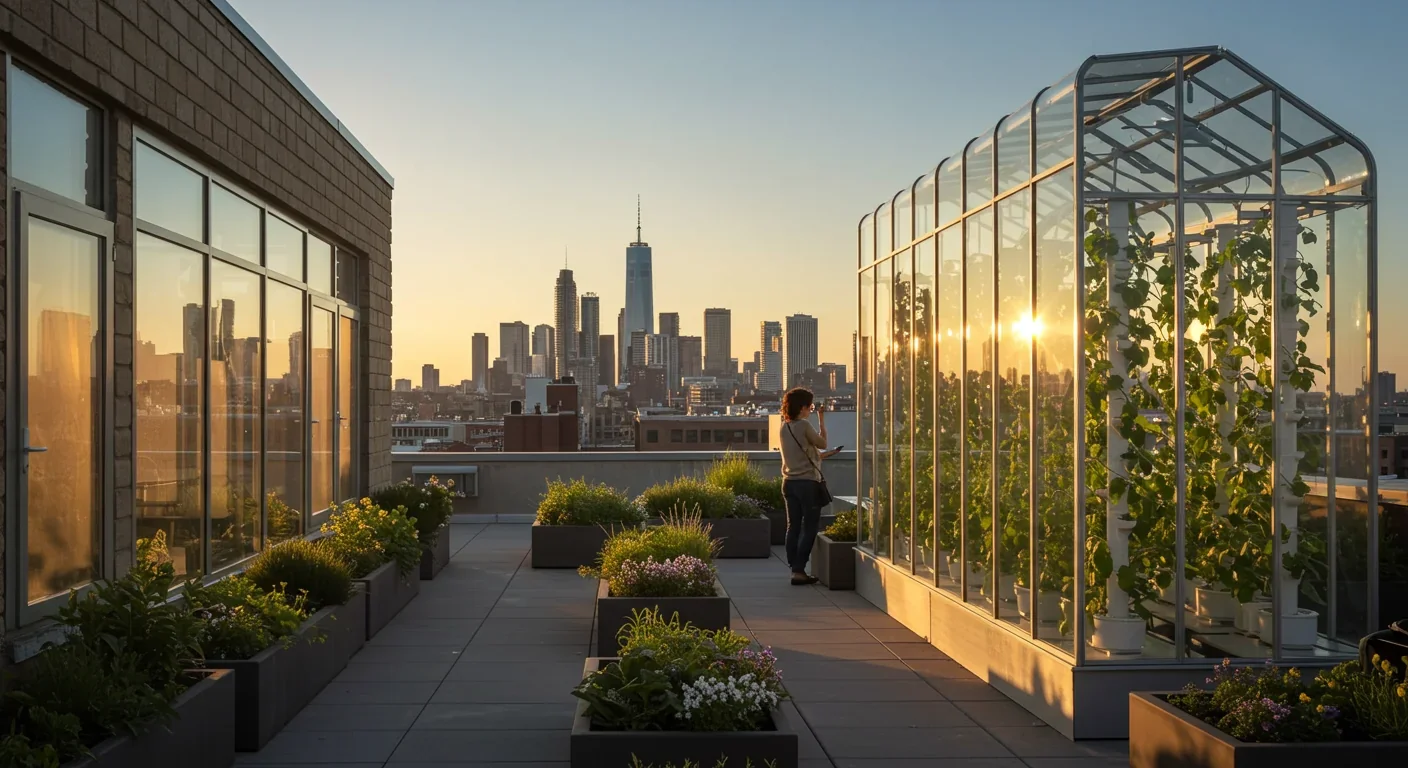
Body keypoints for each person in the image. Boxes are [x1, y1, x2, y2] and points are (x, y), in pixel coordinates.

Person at [779, 387, 841, 585]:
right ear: (803, 407)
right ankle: (799, 570)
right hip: (807, 483)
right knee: (811, 526)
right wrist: (821, 420)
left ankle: (793, 566)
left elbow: (802, 455)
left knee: (793, 526)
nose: (810, 410)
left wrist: (822, 456)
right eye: (810, 407)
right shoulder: (804, 425)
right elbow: (822, 442)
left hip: (789, 483)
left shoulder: (784, 427)